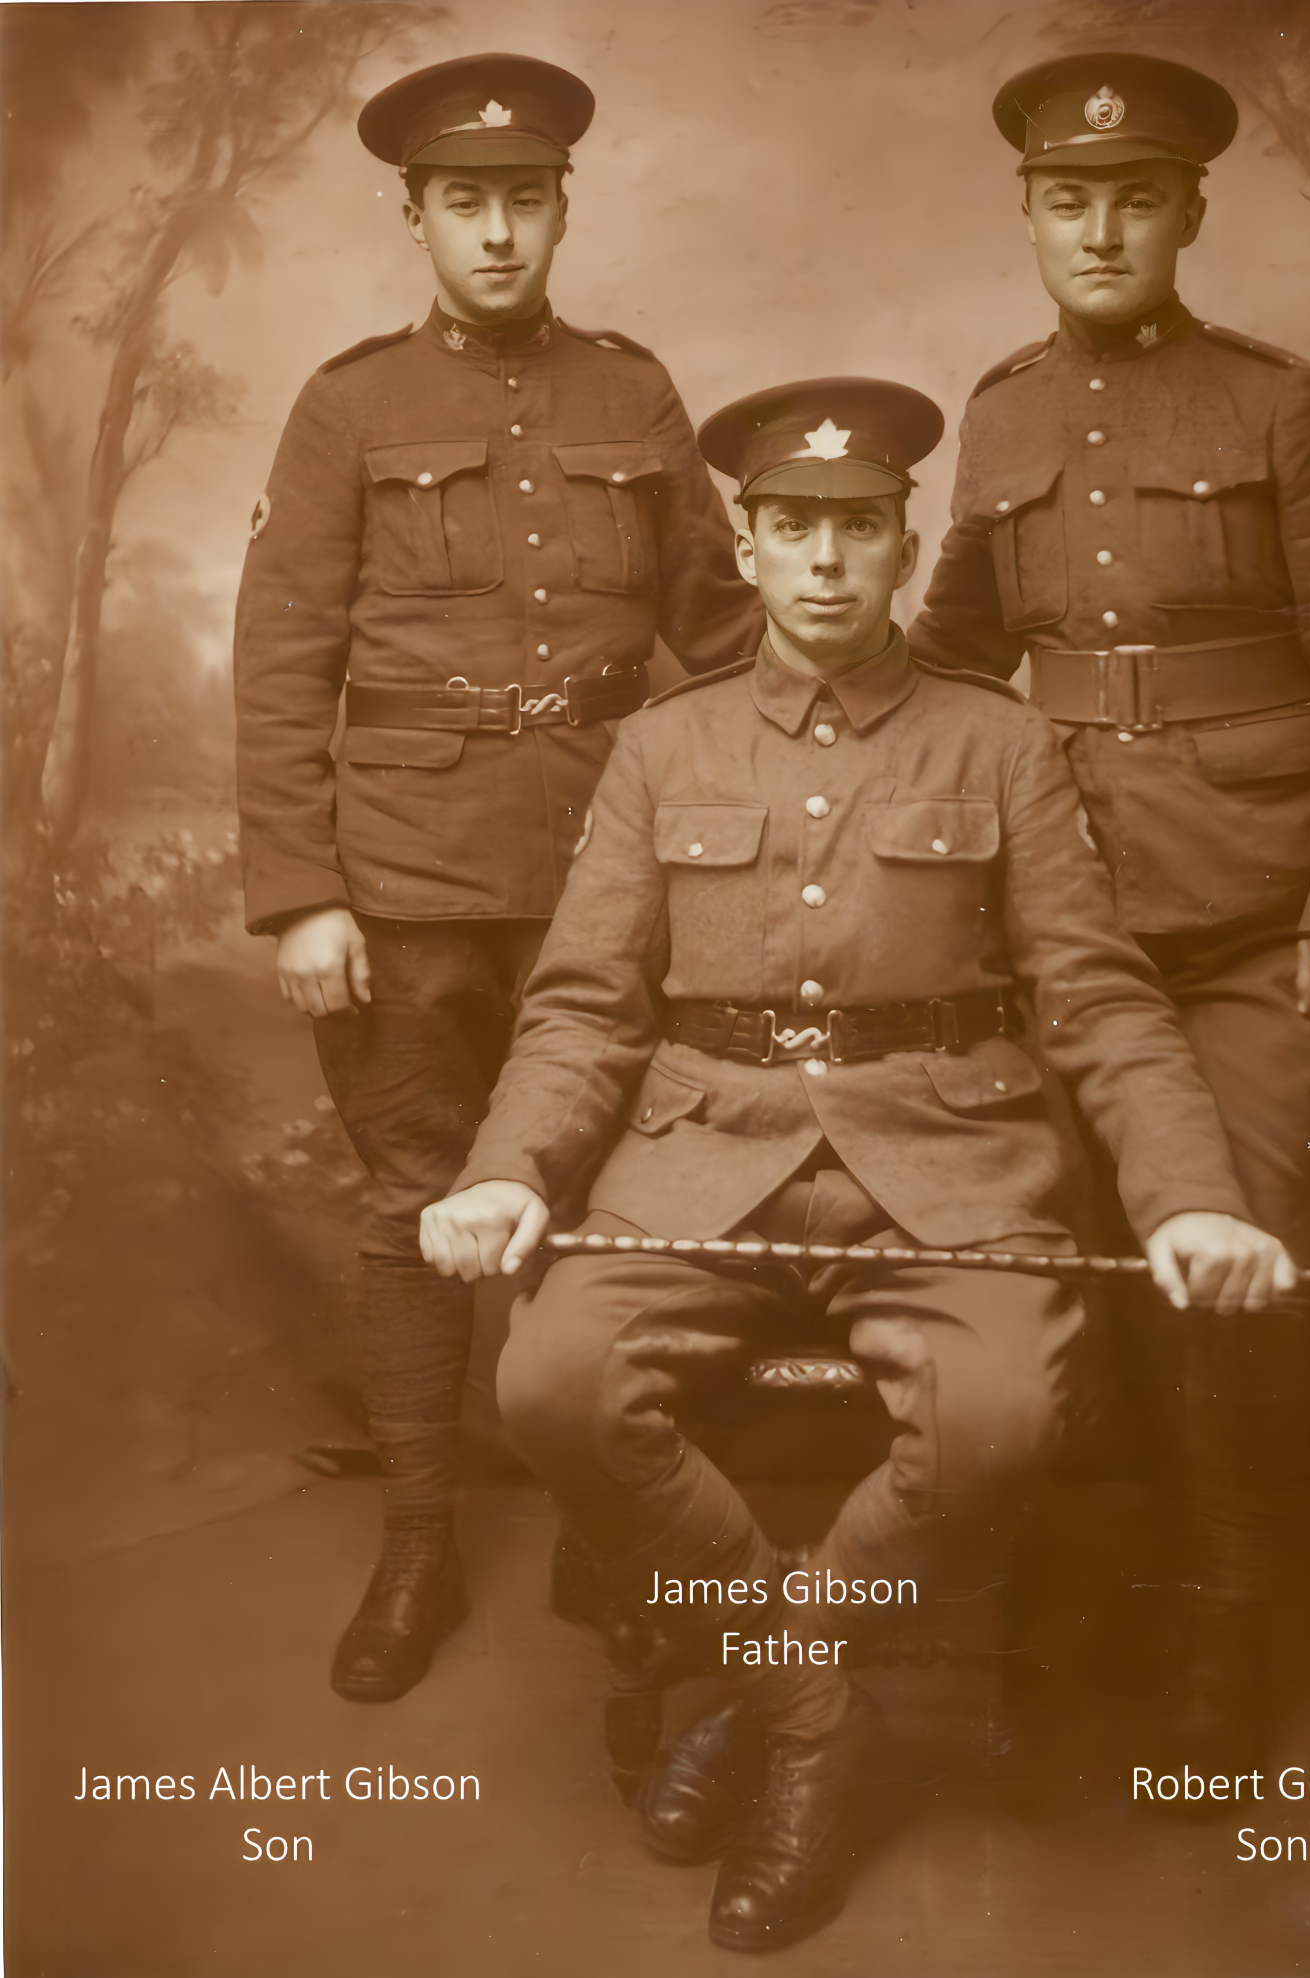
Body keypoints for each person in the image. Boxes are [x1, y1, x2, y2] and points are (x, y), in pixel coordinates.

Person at [420, 377, 1296, 1951]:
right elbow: (583, 1008)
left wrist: (1192, 1199)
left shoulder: (1003, 741)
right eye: (793, 526)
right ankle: (817, 1711)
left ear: (905, 543)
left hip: (948, 1159)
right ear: (747, 546)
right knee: (550, 1379)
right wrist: (509, 1173)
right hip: (699, 1158)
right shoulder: (662, 747)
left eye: (860, 528)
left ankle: (770, 1684)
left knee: (1004, 1415)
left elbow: (1103, 999)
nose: (826, 560)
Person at [907, 52, 1310, 1766]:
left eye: (1133, 200)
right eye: (1069, 201)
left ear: (1189, 214)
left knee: (1215, 1255)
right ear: (1029, 216)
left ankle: (1225, 1628)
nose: (1100, 231)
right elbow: (949, 662)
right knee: (1047, 1260)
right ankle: (1073, 1601)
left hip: (1264, 928)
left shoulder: (1278, 406)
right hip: (1064, 932)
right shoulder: (999, 414)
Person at [232, 52, 762, 1704]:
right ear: (416, 217)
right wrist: (301, 891)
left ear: (560, 209)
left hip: (613, 872)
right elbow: (281, 657)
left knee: (610, 1218)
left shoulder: (635, 395)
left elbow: (724, 635)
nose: (496, 230)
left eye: (523, 198)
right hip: (399, 878)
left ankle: (613, 1539)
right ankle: (417, 1541)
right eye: (465, 201)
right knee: (415, 1203)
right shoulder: (349, 407)